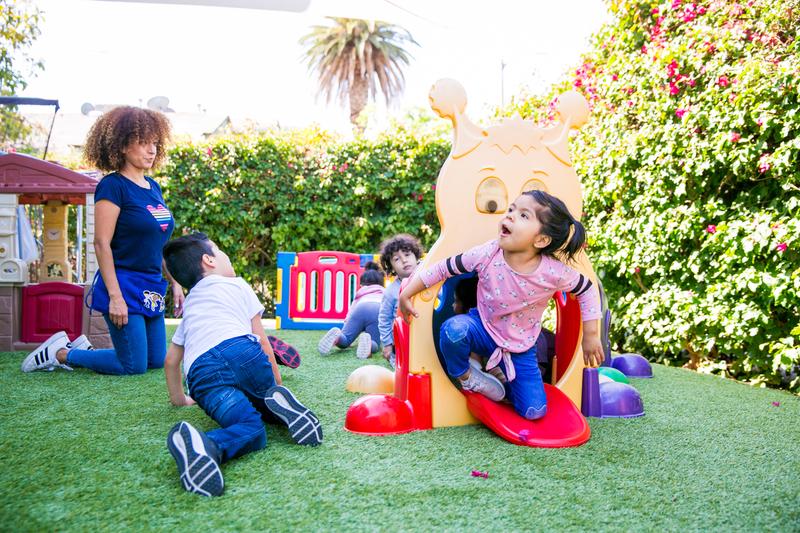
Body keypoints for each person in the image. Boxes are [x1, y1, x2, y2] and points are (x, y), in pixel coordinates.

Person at [399, 190, 604, 420]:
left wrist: (591, 334)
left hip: (521, 346)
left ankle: (498, 383)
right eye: (511, 210)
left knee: (534, 411)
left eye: (524, 215)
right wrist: (407, 292)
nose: (510, 216)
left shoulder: (552, 272)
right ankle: (467, 376)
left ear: (541, 239)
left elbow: (587, 288)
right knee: (453, 331)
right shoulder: (488, 253)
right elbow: (442, 268)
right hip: (482, 328)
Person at [21, 106, 183, 375]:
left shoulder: (154, 187)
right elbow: (101, 243)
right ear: (121, 146)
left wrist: (176, 282)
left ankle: (81, 349)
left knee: (156, 360)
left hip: (151, 285)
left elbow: (159, 242)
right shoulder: (112, 186)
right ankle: (61, 353)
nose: (151, 149)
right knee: (132, 365)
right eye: (143, 142)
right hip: (123, 283)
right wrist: (115, 297)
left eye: (155, 142)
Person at [162, 232, 322, 497]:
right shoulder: (238, 285)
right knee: (263, 401)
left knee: (251, 428)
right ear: (209, 260)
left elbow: (171, 361)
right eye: (220, 250)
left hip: (204, 374)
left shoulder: (191, 304)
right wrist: (276, 384)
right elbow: (262, 341)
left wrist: (179, 399)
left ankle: (208, 446)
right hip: (244, 352)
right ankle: (277, 405)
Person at [318, 261, 385, 359]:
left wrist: (346, 326)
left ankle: (337, 337)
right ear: (381, 283)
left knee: (345, 340)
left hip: (361, 307)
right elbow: (389, 310)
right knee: (375, 342)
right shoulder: (384, 291)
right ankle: (369, 343)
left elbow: (351, 312)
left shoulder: (361, 292)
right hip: (377, 309)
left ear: (362, 284)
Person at [378, 234, 423, 368]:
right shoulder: (391, 291)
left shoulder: (429, 278)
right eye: (397, 259)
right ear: (391, 267)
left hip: (426, 336)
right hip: (402, 341)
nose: (404, 260)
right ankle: (396, 359)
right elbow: (384, 319)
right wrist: (387, 344)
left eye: (408, 255)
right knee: (404, 368)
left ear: (416, 257)